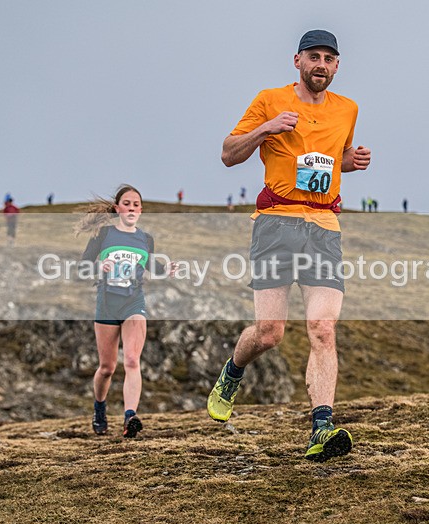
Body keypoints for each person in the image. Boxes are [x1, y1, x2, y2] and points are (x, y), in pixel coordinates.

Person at [207, 29, 371, 462]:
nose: (321, 65)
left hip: (324, 227)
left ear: (337, 66)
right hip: (276, 223)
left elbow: (331, 160)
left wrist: (350, 163)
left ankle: (322, 428)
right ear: (297, 61)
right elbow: (228, 153)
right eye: (314, 56)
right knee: (270, 333)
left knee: (323, 328)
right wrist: (267, 128)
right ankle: (232, 372)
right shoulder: (269, 100)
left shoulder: (348, 109)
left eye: (329, 59)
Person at [75, 184, 177, 438]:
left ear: (141, 210)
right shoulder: (103, 234)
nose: (131, 208)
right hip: (107, 303)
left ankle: (130, 417)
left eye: (136, 205)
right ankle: (100, 408)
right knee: (107, 368)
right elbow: (82, 267)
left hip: (133, 302)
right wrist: (99, 267)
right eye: (127, 204)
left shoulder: (145, 239)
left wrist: (167, 269)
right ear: (118, 208)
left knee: (132, 360)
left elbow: (149, 263)